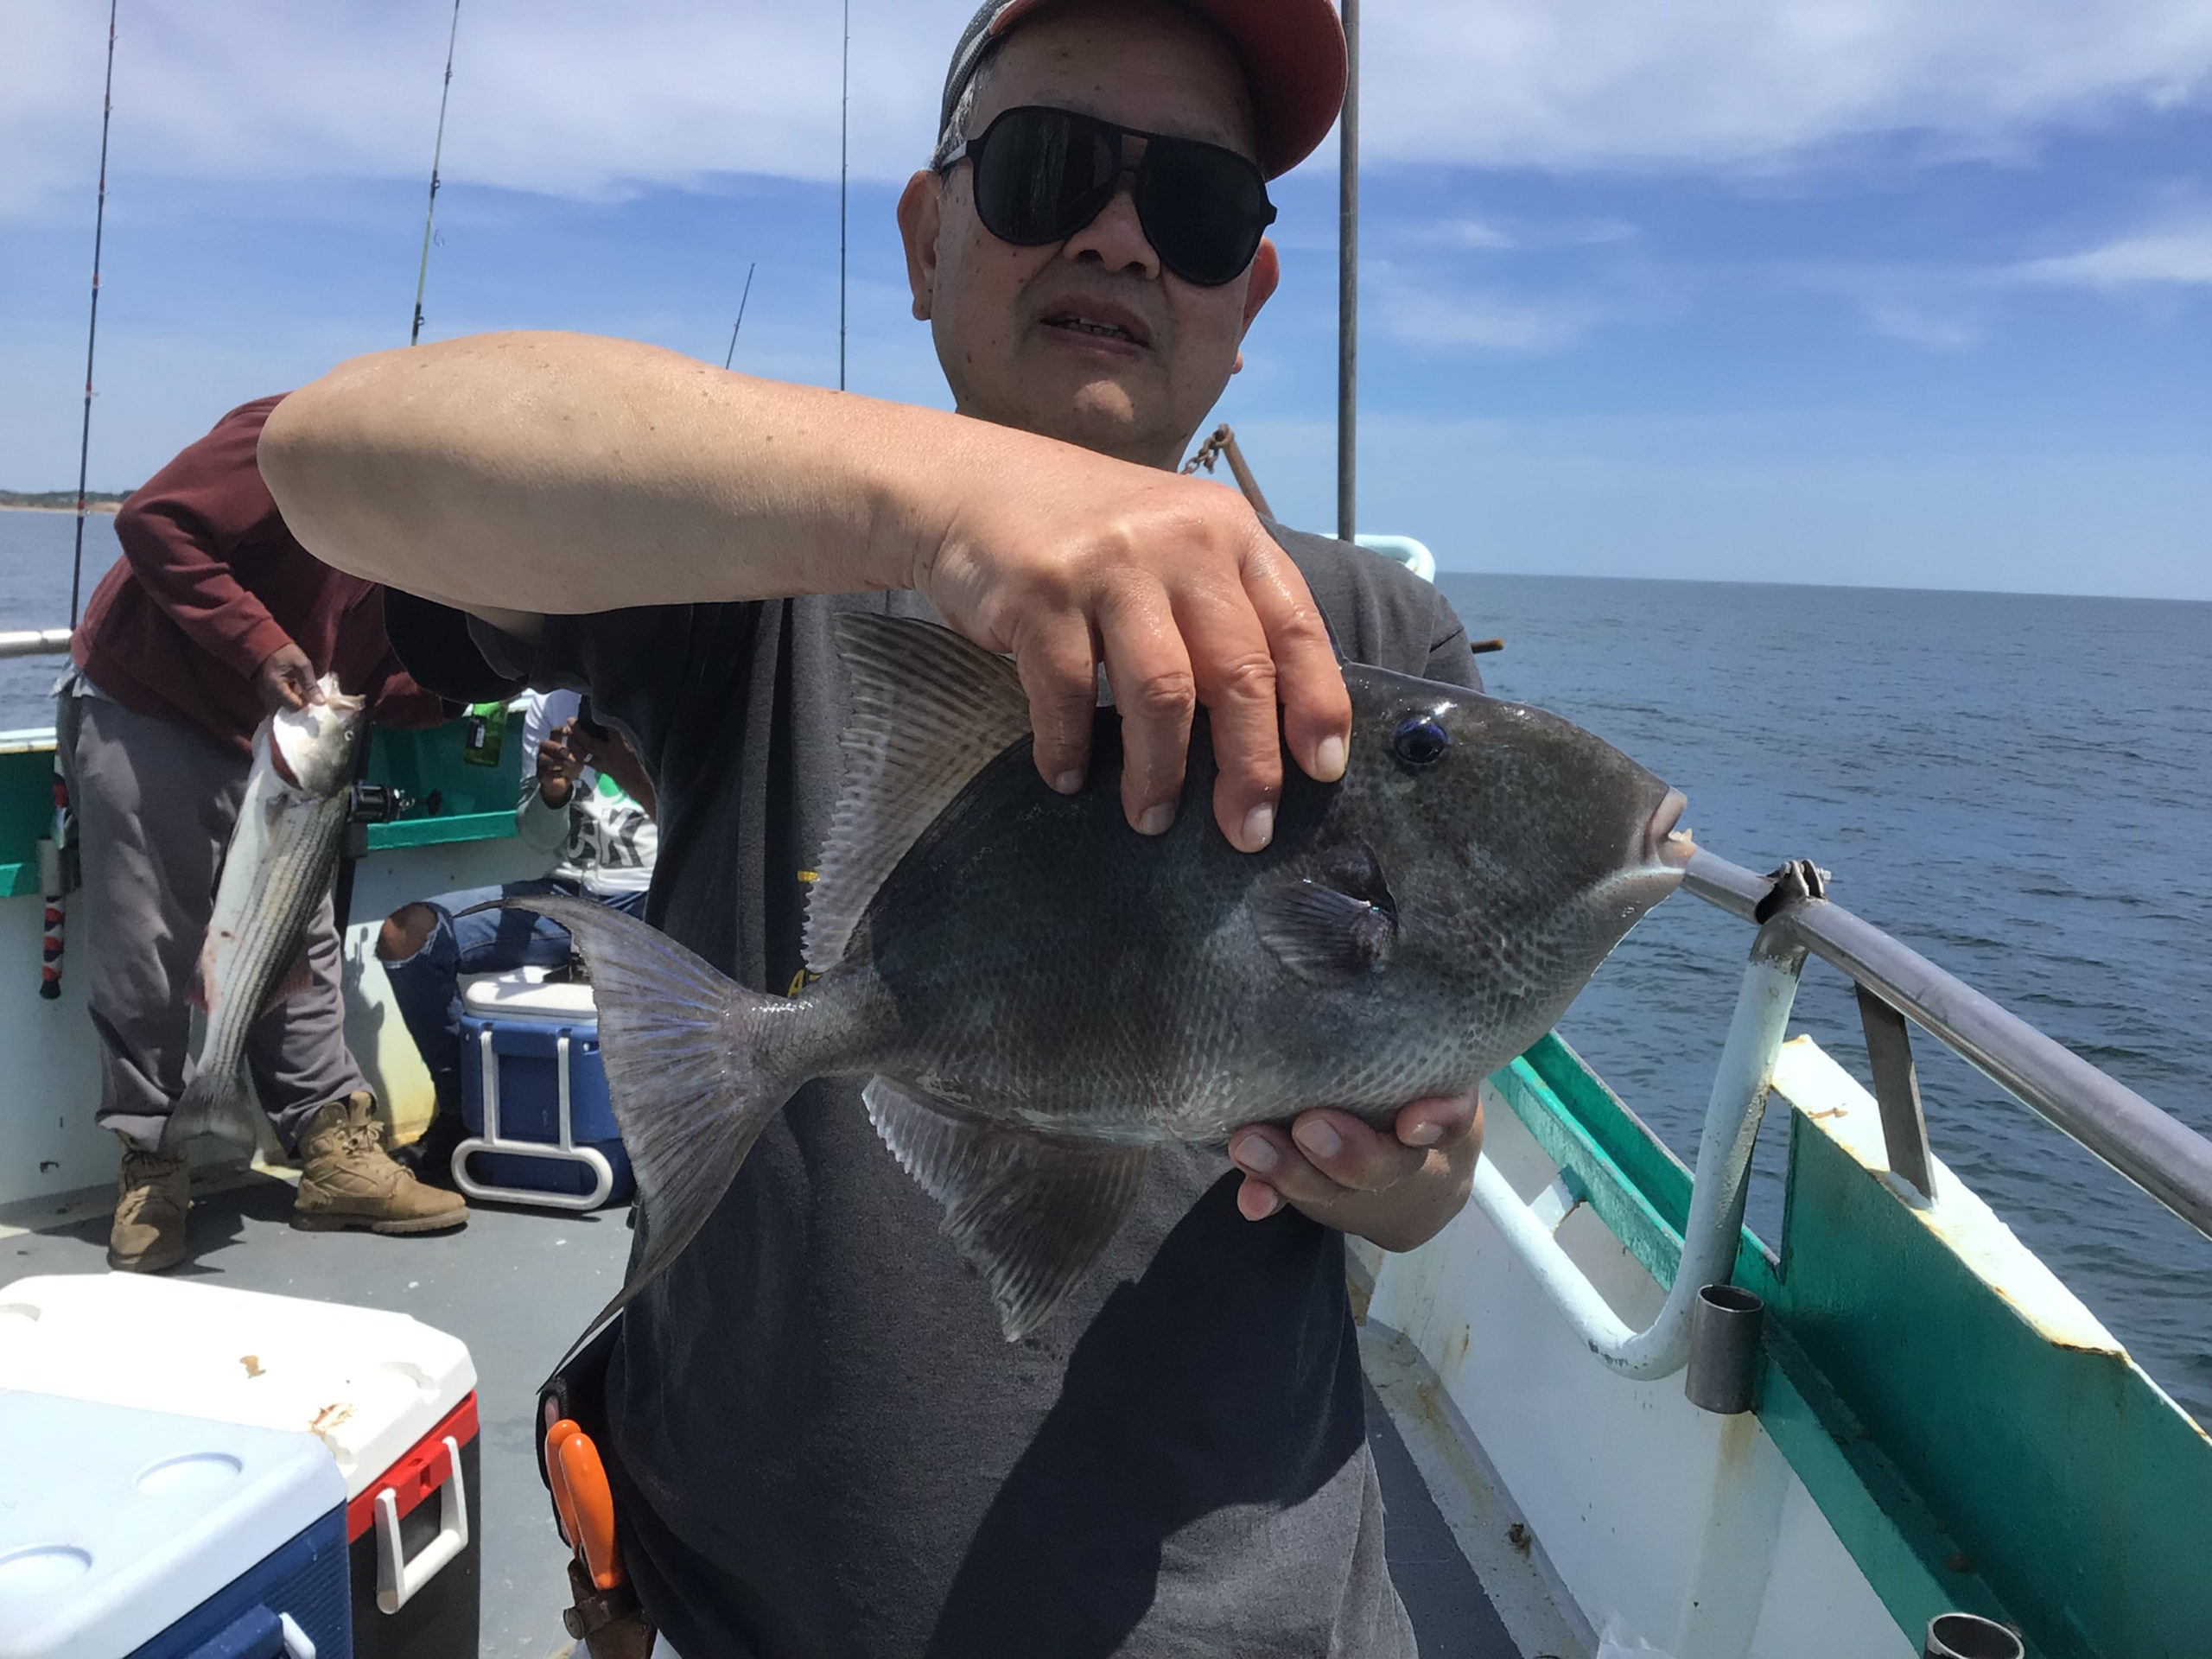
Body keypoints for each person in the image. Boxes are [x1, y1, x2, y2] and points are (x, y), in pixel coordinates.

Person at [260, 1, 1491, 1649]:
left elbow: (1425, 1174)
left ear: (1247, 294)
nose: (1121, 234)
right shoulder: (762, 580)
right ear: (928, 239)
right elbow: (333, 459)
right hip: (750, 1598)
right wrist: (946, 504)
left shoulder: (1375, 640)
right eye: (1049, 170)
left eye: (1195, 207)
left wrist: (1402, 1182)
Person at [61, 395, 468, 1274]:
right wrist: (258, 645)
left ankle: (331, 1151)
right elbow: (155, 521)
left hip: (284, 744)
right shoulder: (302, 435)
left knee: (300, 941)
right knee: (149, 944)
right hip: (153, 699)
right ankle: (152, 1162)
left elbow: (367, 674)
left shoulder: (433, 534)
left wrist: (456, 688)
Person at [376, 690, 658, 1181]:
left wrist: (623, 765)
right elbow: (537, 838)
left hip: (659, 898)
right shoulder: (552, 704)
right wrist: (553, 792)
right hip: (569, 899)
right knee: (408, 937)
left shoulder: (677, 695)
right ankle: (463, 1113)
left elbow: (696, 825)